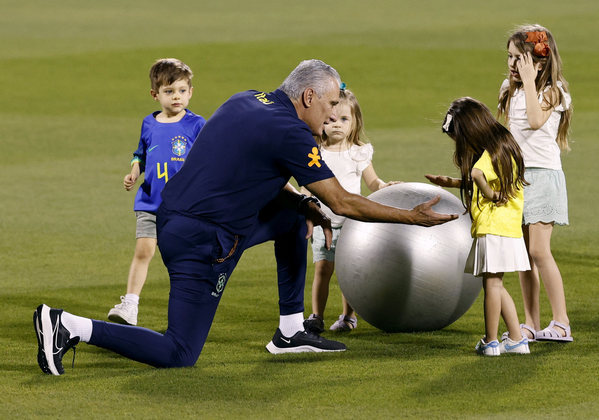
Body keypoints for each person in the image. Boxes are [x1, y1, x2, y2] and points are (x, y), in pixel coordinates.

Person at [33, 59, 457, 376]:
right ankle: (68, 325)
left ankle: (290, 331)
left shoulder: (245, 100)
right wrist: (411, 218)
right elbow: (343, 202)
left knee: (295, 216)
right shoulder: (291, 132)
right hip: (203, 241)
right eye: (328, 105)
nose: (331, 116)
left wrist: (301, 203)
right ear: (307, 97)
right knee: (180, 352)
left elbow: (245, 170)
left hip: (179, 218)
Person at [426, 97, 531, 356]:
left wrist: (488, 193)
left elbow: (477, 175)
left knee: (492, 284)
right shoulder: (504, 146)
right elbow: (488, 180)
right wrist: (451, 182)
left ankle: (491, 340)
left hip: (492, 226)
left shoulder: (486, 155)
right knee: (495, 283)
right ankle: (516, 339)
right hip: (508, 226)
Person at [107, 58, 206, 326]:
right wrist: (133, 173)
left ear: (191, 92)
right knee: (143, 251)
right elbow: (139, 153)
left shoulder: (197, 125)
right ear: (155, 94)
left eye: (182, 91)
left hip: (183, 208)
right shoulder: (149, 123)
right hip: (150, 203)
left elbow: (208, 159)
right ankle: (130, 304)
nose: (177, 97)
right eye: (169, 91)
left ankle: (189, 313)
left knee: (183, 260)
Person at [302, 87, 399, 334]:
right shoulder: (316, 153)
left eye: (344, 119)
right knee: (322, 270)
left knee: (349, 274)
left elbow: (373, 182)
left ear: (354, 122)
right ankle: (316, 316)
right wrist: (307, 206)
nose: (337, 125)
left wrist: (384, 186)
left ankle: (348, 317)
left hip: (351, 226)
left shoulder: (358, 153)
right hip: (324, 224)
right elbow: (306, 187)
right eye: (332, 119)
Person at [498, 24, 573, 342]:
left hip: (543, 178)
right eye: (510, 58)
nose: (512, 65)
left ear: (539, 62)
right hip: (518, 179)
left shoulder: (554, 92)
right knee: (524, 256)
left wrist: (529, 82)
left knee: (539, 251)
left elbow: (533, 120)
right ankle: (531, 322)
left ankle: (562, 322)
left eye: (519, 59)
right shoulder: (509, 88)